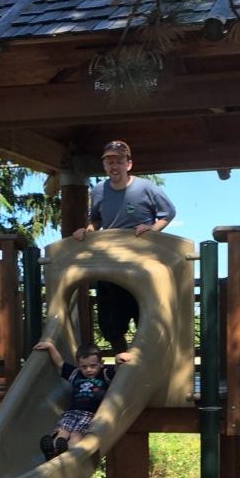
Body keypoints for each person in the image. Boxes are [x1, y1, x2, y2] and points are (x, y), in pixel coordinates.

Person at [71, 139, 176, 353]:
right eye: (109, 162)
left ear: (128, 164)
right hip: (111, 265)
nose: (113, 166)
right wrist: (88, 230)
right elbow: (96, 220)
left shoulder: (146, 188)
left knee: (144, 319)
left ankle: (143, 365)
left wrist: (152, 231)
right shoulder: (99, 191)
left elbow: (168, 213)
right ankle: (123, 363)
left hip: (140, 265)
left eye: (118, 161)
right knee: (110, 325)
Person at [34, 338, 129, 459]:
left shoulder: (104, 374)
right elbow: (60, 363)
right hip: (71, 412)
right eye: (84, 366)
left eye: (93, 366)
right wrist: (50, 347)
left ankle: (67, 453)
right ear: (79, 366)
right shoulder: (76, 374)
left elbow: (117, 370)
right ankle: (53, 450)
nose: (88, 369)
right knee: (62, 431)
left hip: (89, 414)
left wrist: (118, 359)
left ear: (101, 363)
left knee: (76, 435)